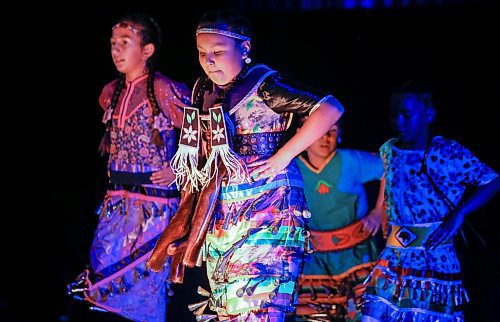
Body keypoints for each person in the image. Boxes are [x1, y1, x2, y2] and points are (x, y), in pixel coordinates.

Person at [146, 9, 345, 322]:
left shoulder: (265, 85)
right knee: (229, 303)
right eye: (202, 53)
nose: (209, 60)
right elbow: (202, 150)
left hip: (268, 203)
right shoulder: (203, 91)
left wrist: (284, 156)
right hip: (223, 207)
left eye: (218, 52)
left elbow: (330, 109)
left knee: (262, 301)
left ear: (245, 49)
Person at [67, 13, 190, 322]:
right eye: (113, 44)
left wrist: (179, 167)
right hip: (117, 201)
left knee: (145, 281)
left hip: (155, 203)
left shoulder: (164, 89)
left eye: (125, 43)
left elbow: (200, 133)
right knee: (102, 275)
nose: (116, 51)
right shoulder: (111, 92)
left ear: (146, 50)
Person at [361, 80, 500, 322]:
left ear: (428, 115)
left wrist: (460, 213)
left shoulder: (447, 152)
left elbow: (491, 180)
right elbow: (388, 179)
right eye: (394, 115)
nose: (399, 121)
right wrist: (379, 210)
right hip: (393, 257)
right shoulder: (388, 149)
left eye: (406, 114)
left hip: (433, 256)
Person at [294, 118, 384, 322]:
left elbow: (388, 168)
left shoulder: (350, 160)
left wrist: (379, 211)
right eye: (319, 131)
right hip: (314, 260)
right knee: (314, 316)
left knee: (363, 314)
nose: (325, 138)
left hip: (356, 255)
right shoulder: (293, 167)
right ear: (302, 133)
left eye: (332, 131)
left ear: (340, 134)